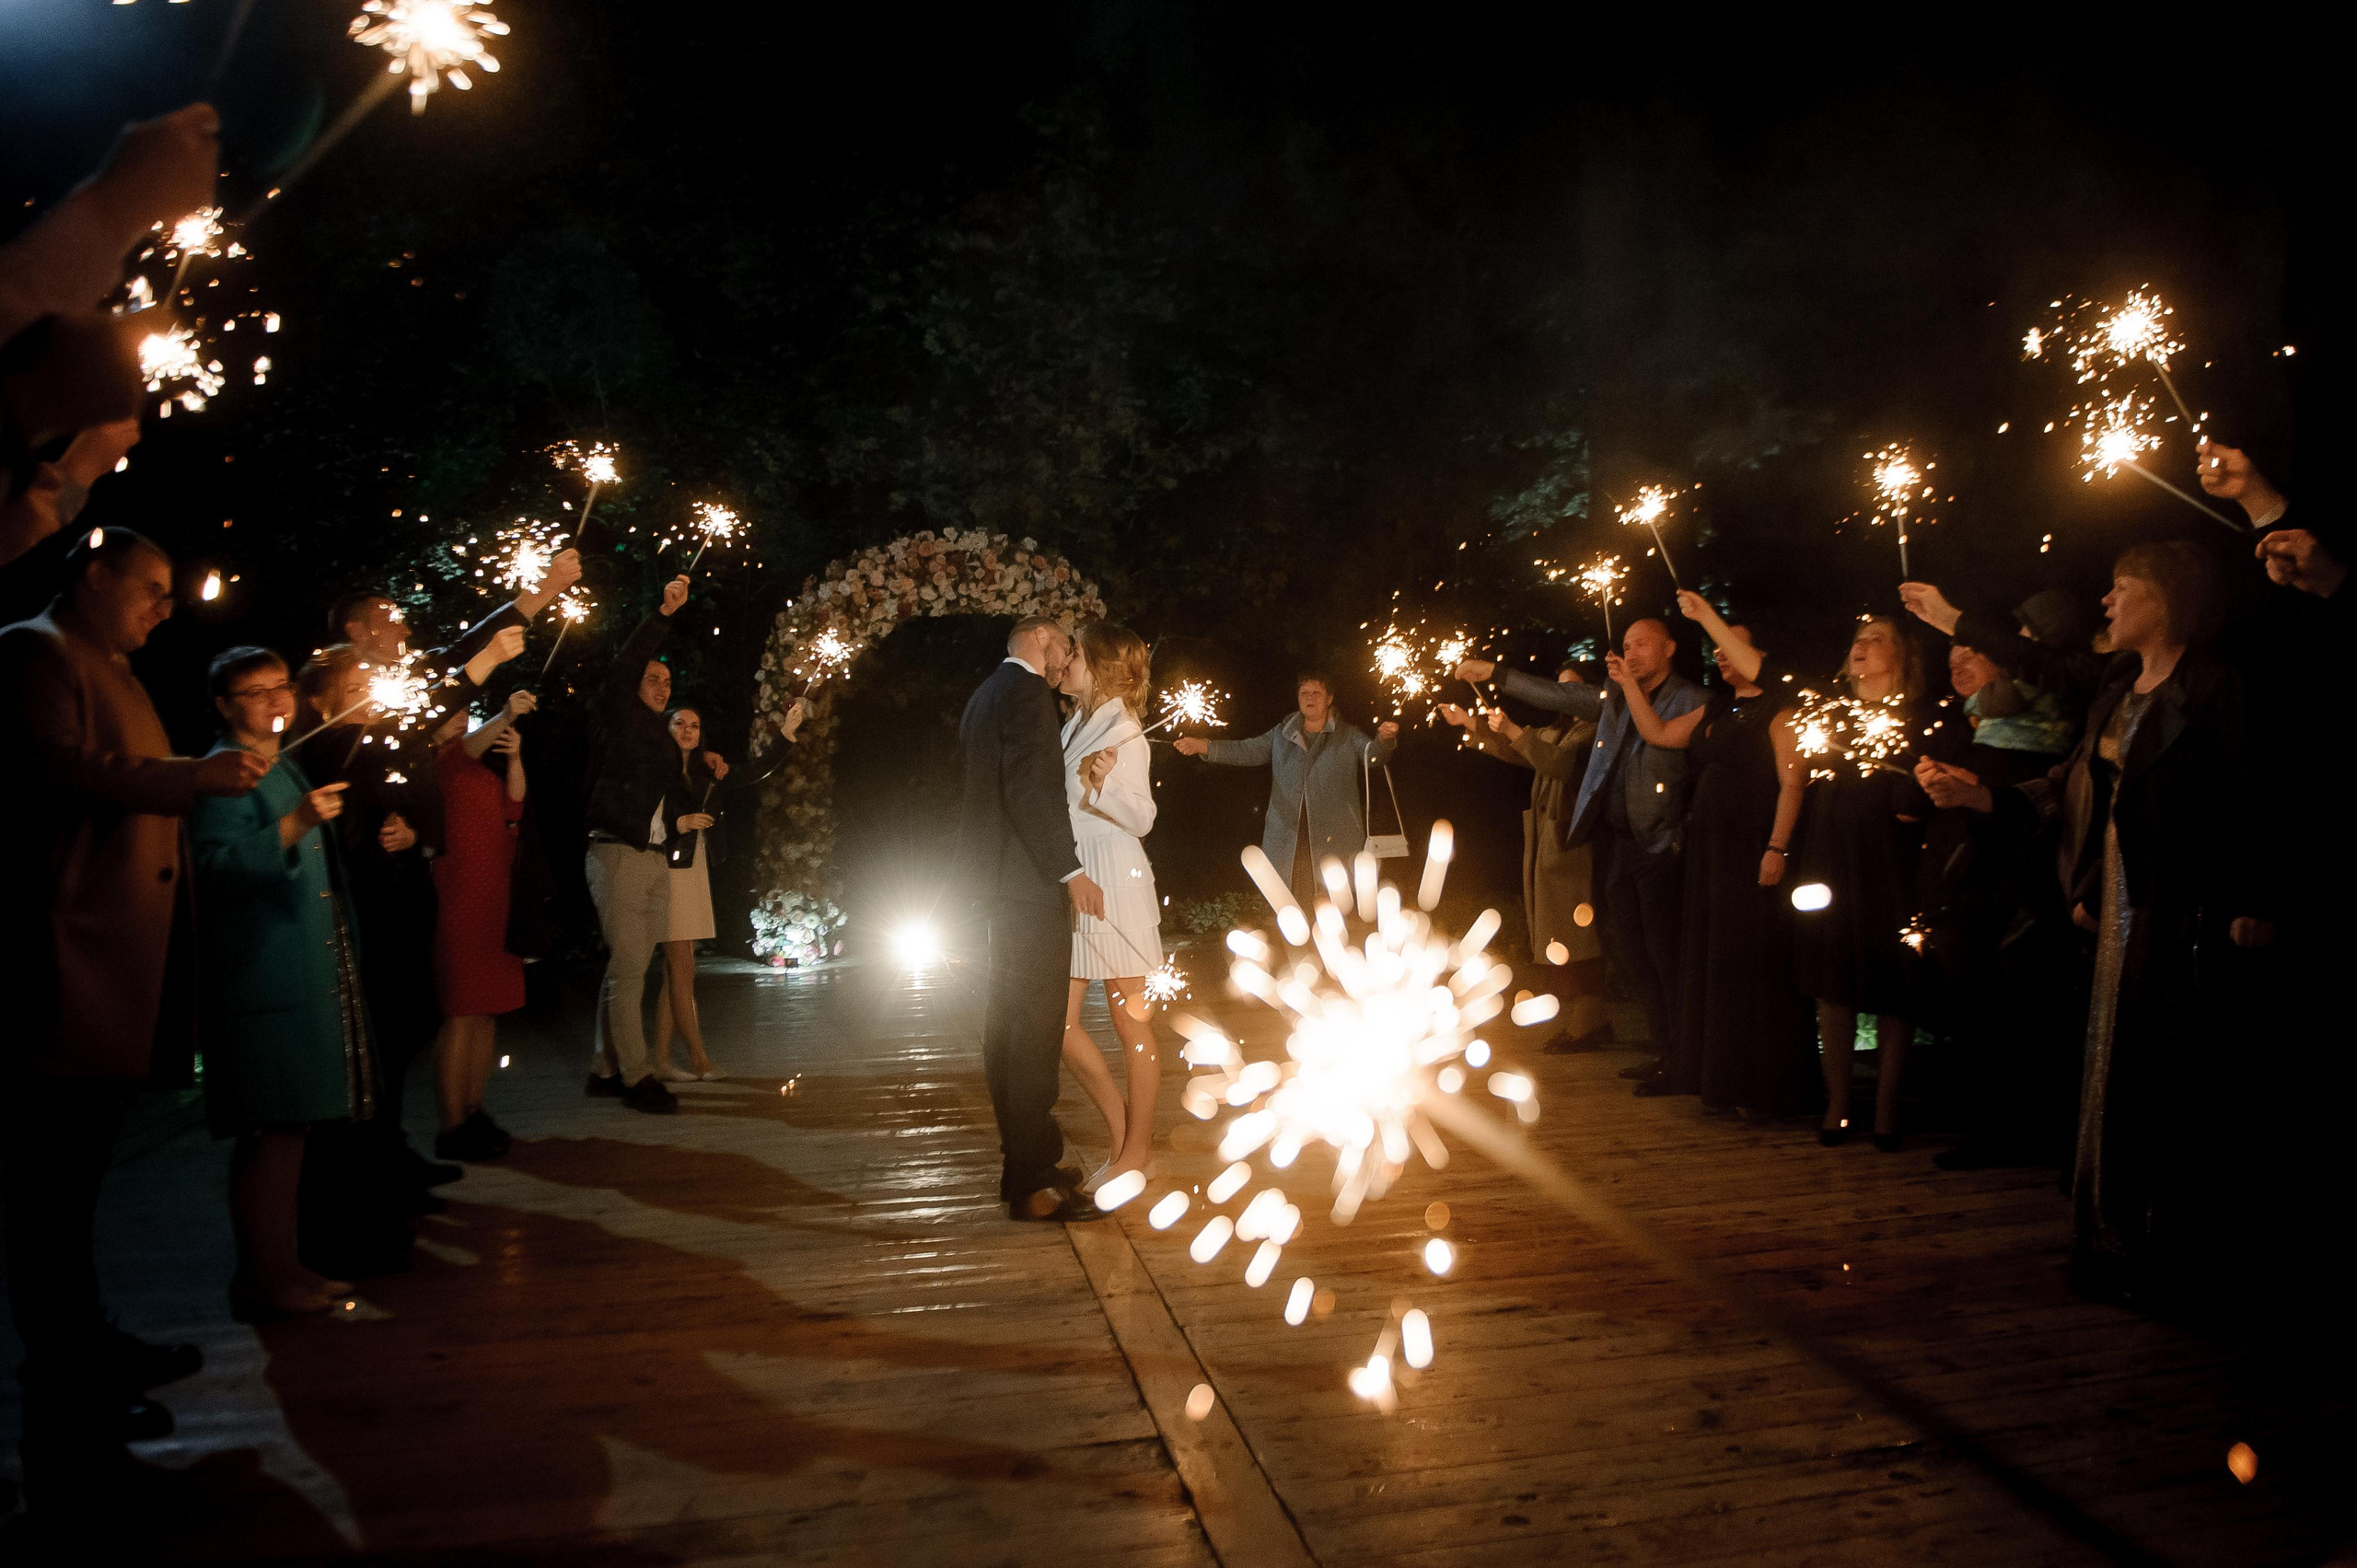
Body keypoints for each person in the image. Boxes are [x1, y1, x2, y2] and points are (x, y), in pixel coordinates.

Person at [1921, 542, 2272, 1304]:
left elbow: (2245, 795)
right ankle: (2111, 1237)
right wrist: (1982, 798)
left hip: (2178, 900)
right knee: (2112, 1057)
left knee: (2167, 1066)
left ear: (2169, 598)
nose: (2107, 601)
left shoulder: (2214, 685)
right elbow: (2075, 780)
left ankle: (2171, 1250)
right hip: (2116, 893)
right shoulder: (2118, 686)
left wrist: (2251, 897)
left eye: (2122, 586)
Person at [0, 528, 262, 1506]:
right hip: (70, 963)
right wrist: (193, 777)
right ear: (94, 573)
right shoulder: (35, 652)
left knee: (77, 1189)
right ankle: (67, 1398)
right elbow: (57, 768)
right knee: (51, 1196)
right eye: (150, 588)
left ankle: (90, 1345)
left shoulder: (109, 667)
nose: (164, 606)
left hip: (118, 966)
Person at [190, 647, 375, 1319]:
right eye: (255, 692)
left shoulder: (281, 763)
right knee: (271, 1132)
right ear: (224, 706)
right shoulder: (228, 774)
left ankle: (282, 1264)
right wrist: (293, 826)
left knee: (290, 1130)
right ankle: (262, 1277)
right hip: (261, 980)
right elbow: (211, 868)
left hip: (295, 974)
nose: (275, 700)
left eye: (281, 686)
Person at [1457, 618, 1703, 1068]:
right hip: (1620, 844)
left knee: (1664, 953)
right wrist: (1494, 678)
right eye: (1626, 645)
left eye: (1641, 644)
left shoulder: (1686, 699)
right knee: (1633, 953)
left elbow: (1646, 741)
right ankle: (1668, 1053)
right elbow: (1555, 703)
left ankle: (1685, 1054)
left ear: (1669, 648)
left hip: (1662, 843)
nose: (1630, 653)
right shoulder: (1612, 699)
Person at [956, 615, 1110, 1222]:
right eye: (1066, 647)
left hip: (997, 884)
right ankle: (1034, 1183)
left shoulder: (984, 694)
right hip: (1028, 886)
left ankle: (1024, 1163)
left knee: (1007, 1027)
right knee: (1034, 1031)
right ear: (1042, 637)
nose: (1066, 661)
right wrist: (1070, 871)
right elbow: (1029, 790)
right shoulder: (1025, 692)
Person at [1643, 591, 1814, 1113]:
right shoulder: (1718, 706)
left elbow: (1793, 783)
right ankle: (1721, 1081)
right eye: (1716, 646)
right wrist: (1628, 684)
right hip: (1712, 852)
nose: (1719, 653)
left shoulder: (1782, 707)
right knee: (1716, 960)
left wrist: (1777, 846)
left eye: (1730, 645)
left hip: (1753, 845)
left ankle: (1762, 1087)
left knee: (1750, 962)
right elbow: (1660, 733)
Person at [1786, 615, 1941, 1151]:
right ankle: (1839, 1103)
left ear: (1902, 656)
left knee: (1894, 982)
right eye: (1858, 639)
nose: (1864, 646)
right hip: (1830, 861)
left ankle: (1887, 1106)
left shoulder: (1919, 719)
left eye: (1878, 640)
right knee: (1833, 979)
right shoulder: (1832, 716)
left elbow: (1918, 802)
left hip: (1890, 865)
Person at [1438, 668, 1609, 1053]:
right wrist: (1469, 722)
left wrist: (1514, 730)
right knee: (1559, 934)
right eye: (1559, 685)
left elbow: (1558, 763)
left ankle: (1588, 1019)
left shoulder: (1597, 731)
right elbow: (1518, 749)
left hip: (1575, 845)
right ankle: (1590, 1018)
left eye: (1572, 686)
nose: (1563, 693)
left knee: (1579, 933)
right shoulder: (1560, 730)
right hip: (1550, 846)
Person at [1054, 623, 1165, 1188]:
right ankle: (1123, 1134)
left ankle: (1135, 1151)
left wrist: (1104, 785)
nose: (1066, 661)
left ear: (1099, 666)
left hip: (1116, 878)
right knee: (1059, 1022)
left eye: (1074, 652)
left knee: (1130, 1019)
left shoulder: (1126, 730)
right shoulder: (1077, 721)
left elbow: (1143, 817)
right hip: (1081, 875)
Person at [584, 575, 697, 1112]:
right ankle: (637, 1076)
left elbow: (682, 795)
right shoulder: (621, 715)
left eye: (667, 681)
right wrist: (663, 615)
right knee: (629, 966)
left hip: (653, 858)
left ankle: (603, 1067)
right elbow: (624, 665)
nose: (661, 686)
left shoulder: (661, 739)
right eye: (652, 678)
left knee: (628, 966)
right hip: (617, 852)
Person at [1174, 672, 1400, 903]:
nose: (1309, 697)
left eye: (1317, 693)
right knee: (1288, 903)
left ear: (1329, 699)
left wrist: (1384, 740)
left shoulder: (1348, 735)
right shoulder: (1281, 734)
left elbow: (1373, 757)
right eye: (1304, 693)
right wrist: (1203, 746)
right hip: (1287, 839)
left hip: (1333, 836)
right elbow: (1247, 751)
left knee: (1332, 904)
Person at [429, 691, 537, 1160]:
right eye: (449, 710)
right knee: (462, 1008)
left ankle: (473, 1111)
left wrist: (514, 758)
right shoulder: (437, 762)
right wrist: (506, 714)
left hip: (495, 893)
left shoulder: (475, 765)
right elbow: (462, 751)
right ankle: (451, 1123)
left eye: (461, 710)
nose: (458, 716)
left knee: (488, 1008)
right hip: (460, 894)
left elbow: (514, 806)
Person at [652, 702, 783, 1081]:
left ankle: (661, 1060)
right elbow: (646, 817)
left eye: (694, 725)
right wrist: (680, 822)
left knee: (676, 972)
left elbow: (749, 773)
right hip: (667, 869)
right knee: (682, 968)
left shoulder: (704, 769)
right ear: (666, 728)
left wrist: (786, 738)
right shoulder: (656, 767)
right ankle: (699, 1059)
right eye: (679, 723)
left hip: (693, 868)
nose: (687, 730)